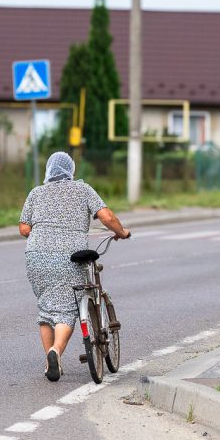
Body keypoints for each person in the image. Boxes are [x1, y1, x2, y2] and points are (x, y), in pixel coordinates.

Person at [19, 152, 130, 382]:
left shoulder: (36, 193)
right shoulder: (83, 189)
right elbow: (106, 216)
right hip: (70, 257)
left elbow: (24, 229)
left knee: (46, 309)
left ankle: (52, 362)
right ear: (71, 170)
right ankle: (56, 351)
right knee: (66, 310)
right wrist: (122, 232)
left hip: (36, 256)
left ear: (48, 170)